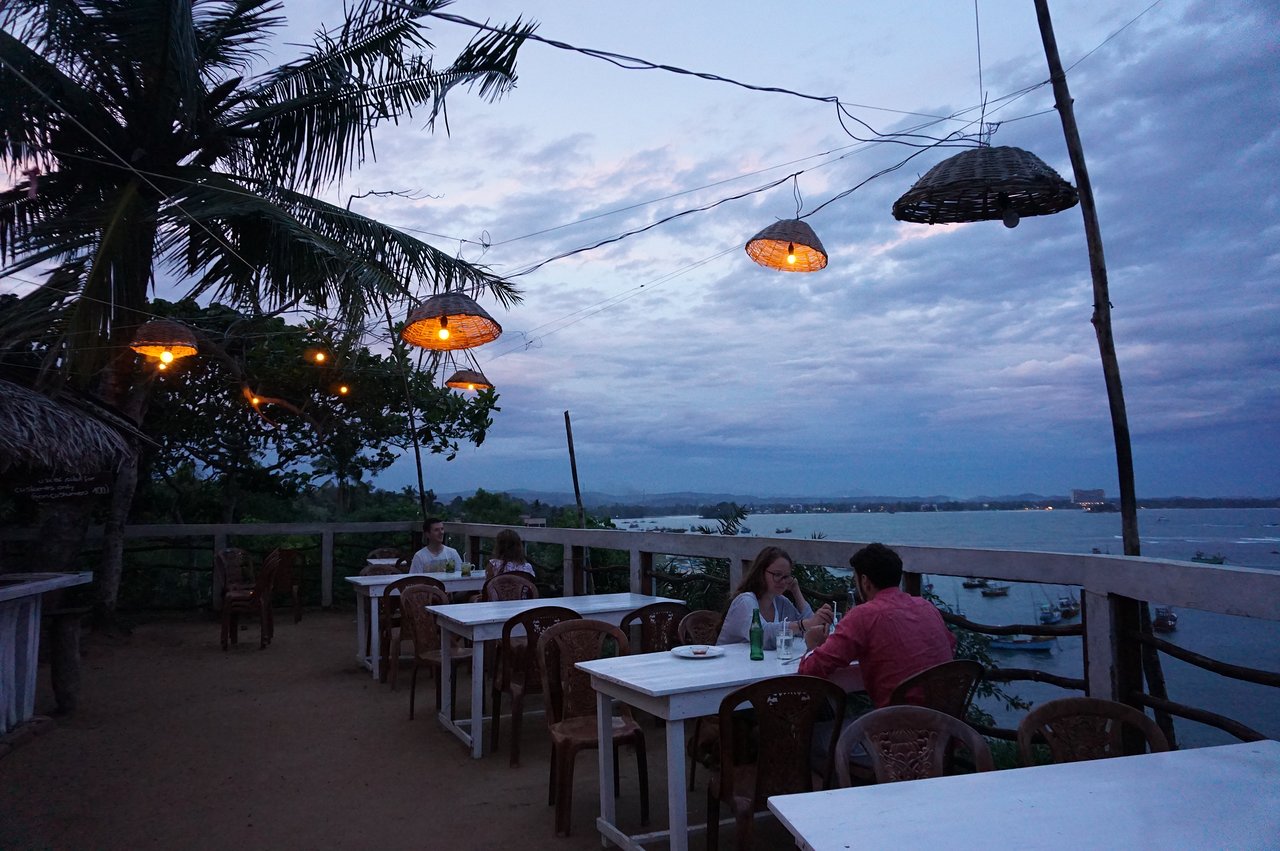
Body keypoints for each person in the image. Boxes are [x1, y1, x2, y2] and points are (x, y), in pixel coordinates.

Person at [799, 542, 955, 708]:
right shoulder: (926, 606)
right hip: (947, 716)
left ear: (864, 581)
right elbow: (951, 645)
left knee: (833, 721)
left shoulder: (863, 616)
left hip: (898, 720)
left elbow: (809, 671)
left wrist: (812, 646)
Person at [717, 546, 833, 650]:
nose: (782, 581)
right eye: (777, 575)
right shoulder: (745, 601)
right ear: (761, 573)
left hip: (758, 664)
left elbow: (809, 630)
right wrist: (803, 624)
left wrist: (796, 591)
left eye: (786, 577)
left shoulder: (780, 603)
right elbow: (761, 636)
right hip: (728, 664)